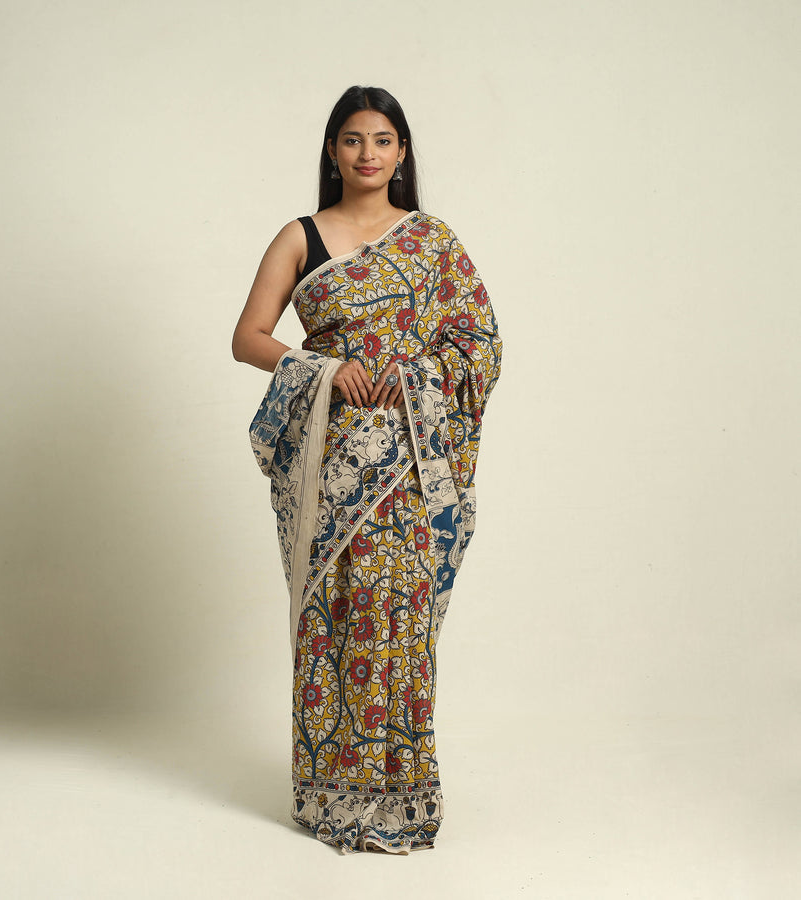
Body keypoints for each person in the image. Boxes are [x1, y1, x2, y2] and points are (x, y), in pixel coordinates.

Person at [233, 85, 503, 854]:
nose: (368, 154)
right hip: (335, 466)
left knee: (402, 620)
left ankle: (401, 795)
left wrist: (414, 373)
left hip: (413, 465)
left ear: (402, 152)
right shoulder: (301, 237)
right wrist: (321, 367)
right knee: (339, 614)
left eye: (383, 140)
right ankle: (331, 795)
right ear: (333, 150)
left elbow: (480, 344)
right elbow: (248, 337)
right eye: (353, 139)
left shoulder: (432, 242)